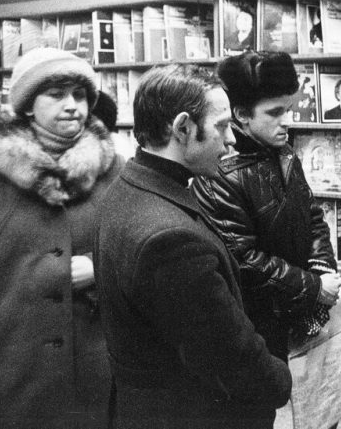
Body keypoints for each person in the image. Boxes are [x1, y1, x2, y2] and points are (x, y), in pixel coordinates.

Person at [94, 64, 291, 429]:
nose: (232, 139)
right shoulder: (170, 240)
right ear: (183, 128)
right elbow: (229, 357)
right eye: (222, 126)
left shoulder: (127, 188)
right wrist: (281, 380)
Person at [0, 47, 122, 428]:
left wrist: (100, 268)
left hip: (92, 364)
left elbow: (136, 252)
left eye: (80, 95)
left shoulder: (113, 169)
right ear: (27, 105)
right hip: (7, 361)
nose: (72, 106)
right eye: (56, 95)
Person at [192, 51, 341, 365]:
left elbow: (313, 216)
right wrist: (314, 287)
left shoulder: (284, 153)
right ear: (242, 115)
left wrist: (322, 270)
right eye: (274, 112)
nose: (287, 121)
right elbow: (244, 260)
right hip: (257, 327)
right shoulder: (218, 172)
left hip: (295, 313)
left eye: (288, 109)